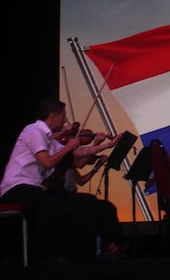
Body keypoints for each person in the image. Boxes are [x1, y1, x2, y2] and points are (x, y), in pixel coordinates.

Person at [0, 99, 125, 259]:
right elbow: (47, 162)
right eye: (63, 116)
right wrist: (68, 147)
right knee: (54, 206)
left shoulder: (49, 139)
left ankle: (105, 248)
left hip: (34, 190)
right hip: (16, 188)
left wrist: (107, 145)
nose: (65, 120)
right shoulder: (33, 131)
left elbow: (79, 154)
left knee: (89, 202)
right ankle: (42, 257)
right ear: (53, 115)